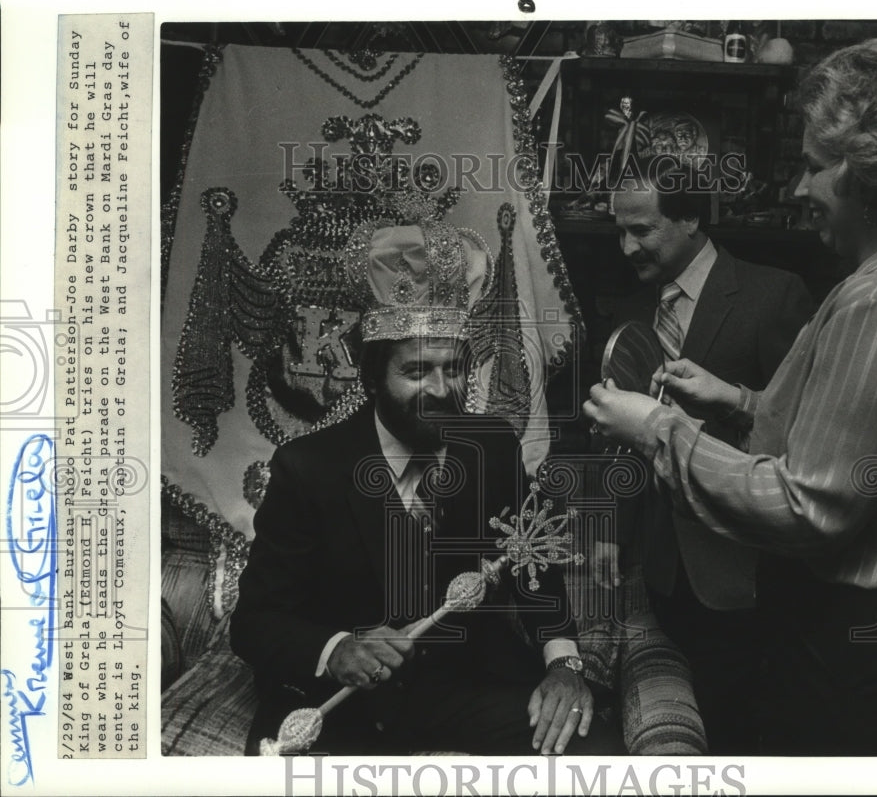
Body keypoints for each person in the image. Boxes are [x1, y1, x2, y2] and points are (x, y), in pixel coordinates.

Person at [584, 38, 877, 755]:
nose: (798, 190)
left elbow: (809, 506)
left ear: (870, 175)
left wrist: (656, 429)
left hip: (867, 652)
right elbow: (846, 431)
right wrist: (737, 399)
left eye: (813, 167)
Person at [231, 219, 624, 756]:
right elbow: (254, 622)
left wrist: (563, 663)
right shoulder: (308, 469)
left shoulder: (492, 448)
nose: (443, 390)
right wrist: (336, 647)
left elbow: (532, 568)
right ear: (373, 377)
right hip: (344, 703)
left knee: (595, 754)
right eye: (417, 372)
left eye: (455, 369)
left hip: (464, 690)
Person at [592, 158, 814, 752]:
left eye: (641, 229)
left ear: (690, 217)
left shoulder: (773, 295)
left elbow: (804, 429)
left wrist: (733, 404)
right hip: (665, 566)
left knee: (747, 726)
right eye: (619, 230)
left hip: (748, 565)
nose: (626, 246)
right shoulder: (631, 313)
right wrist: (612, 531)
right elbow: (622, 440)